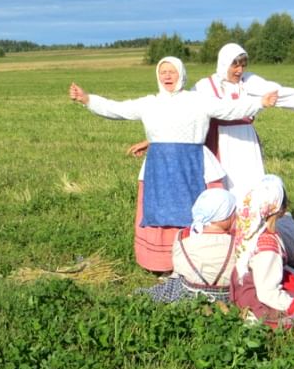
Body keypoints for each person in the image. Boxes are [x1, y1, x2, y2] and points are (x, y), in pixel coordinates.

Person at [69, 56, 277, 273]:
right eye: (163, 72)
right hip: (159, 169)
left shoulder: (198, 100)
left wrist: (259, 103)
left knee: (200, 211)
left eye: (172, 71)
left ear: (182, 74)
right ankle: (163, 263)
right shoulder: (150, 103)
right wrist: (86, 99)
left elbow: (230, 108)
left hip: (194, 166)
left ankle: (201, 261)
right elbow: (117, 109)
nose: (167, 76)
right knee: (161, 213)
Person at [192, 43, 294, 199]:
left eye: (243, 66)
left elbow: (283, 94)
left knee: (251, 186)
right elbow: (198, 110)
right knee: (224, 189)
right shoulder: (206, 86)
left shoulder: (249, 82)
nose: (240, 70)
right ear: (224, 64)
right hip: (219, 141)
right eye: (235, 66)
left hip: (247, 143)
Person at [229, 175, 294, 325]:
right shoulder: (268, 245)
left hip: (244, 289)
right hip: (258, 298)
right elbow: (267, 293)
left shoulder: (249, 227)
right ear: (279, 208)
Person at [137, 188, 237, 303]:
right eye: (233, 212)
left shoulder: (182, 236)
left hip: (190, 292)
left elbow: (179, 267)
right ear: (225, 216)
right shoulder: (236, 241)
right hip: (226, 294)